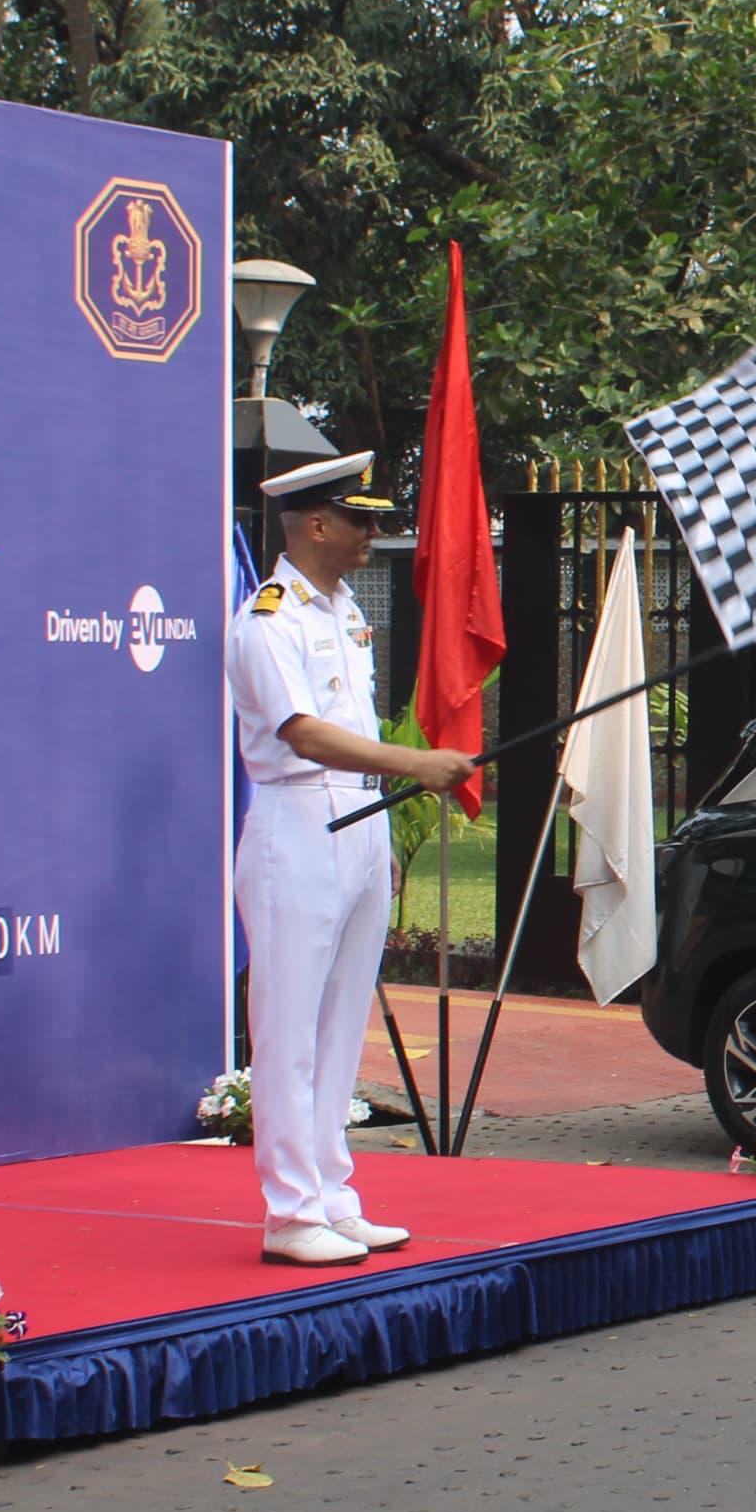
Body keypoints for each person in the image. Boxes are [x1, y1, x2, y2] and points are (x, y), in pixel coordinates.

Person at [230, 453, 471, 1265]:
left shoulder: (342, 609)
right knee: (289, 1028)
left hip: (358, 819)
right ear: (315, 523)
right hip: (298, 819)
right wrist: (416, 764)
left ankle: (333, 1193)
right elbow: (302, 732)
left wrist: (382, 840)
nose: (373, 532)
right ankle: (290, 1211)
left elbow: (353, 725)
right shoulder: (268, 619)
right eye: (358, 518)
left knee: (341, 1025)